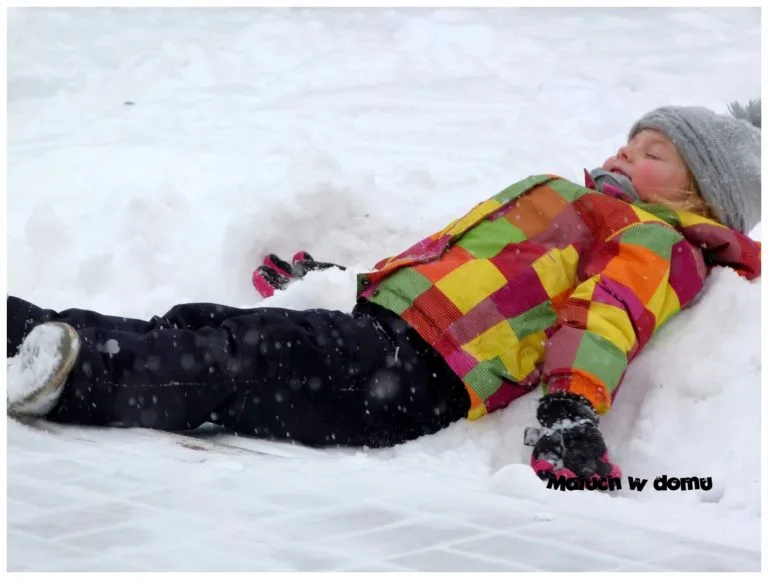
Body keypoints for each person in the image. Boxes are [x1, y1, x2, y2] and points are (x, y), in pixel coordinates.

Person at [7, 100, 762, 484]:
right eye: (628, 140)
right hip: (393, 335)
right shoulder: (576, 199)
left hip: (425, 374)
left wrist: (571, 407)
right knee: (205, 325)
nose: (625, 153)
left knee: (240, 359)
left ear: (702, 195)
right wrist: (334, 278)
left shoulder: (656, 241)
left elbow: (606, 316)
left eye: (653, 151)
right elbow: (450, 263)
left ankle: (76, 377)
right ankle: (38, 334)